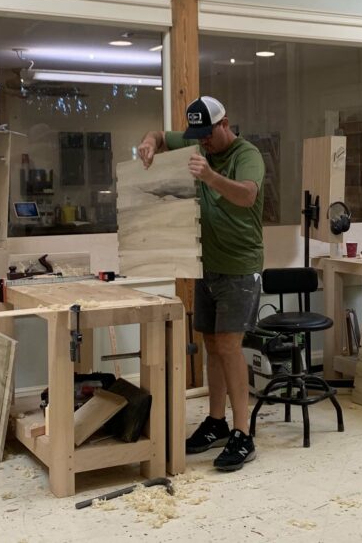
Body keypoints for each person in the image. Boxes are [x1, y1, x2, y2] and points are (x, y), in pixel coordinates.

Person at [138, 96, 264, 472]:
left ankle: (243, 433)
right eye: (199, 136)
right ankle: (216, 422)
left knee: (228, 346)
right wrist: (148, 144)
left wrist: (209, 175)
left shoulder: (247, 153)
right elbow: (159, 135)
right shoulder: (196, 142)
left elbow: (248, 194)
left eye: (208, 135)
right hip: (205, 265)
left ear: (225, 124)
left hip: (240, 266)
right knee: (211, 344)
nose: (203, 142)